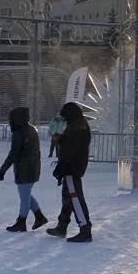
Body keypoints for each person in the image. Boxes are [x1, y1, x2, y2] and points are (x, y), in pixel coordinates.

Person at [46, 102, 93, 243]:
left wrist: (60, 167)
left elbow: (70, 150)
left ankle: (85, 230)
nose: (64, 120)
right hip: (73, 166)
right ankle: (62, 225)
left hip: (72, 168)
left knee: (75, 198)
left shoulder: (75, 128)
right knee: (68, 197)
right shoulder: (79, 125)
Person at [0, 107, 48, 232]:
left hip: (24, 169)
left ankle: (21, 221)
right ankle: (39, 216)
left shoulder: (19, 132)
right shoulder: (31, 129)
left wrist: (3, 170)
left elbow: (14, 153)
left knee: (24, 197)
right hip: (33, 167)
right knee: (26, 194)